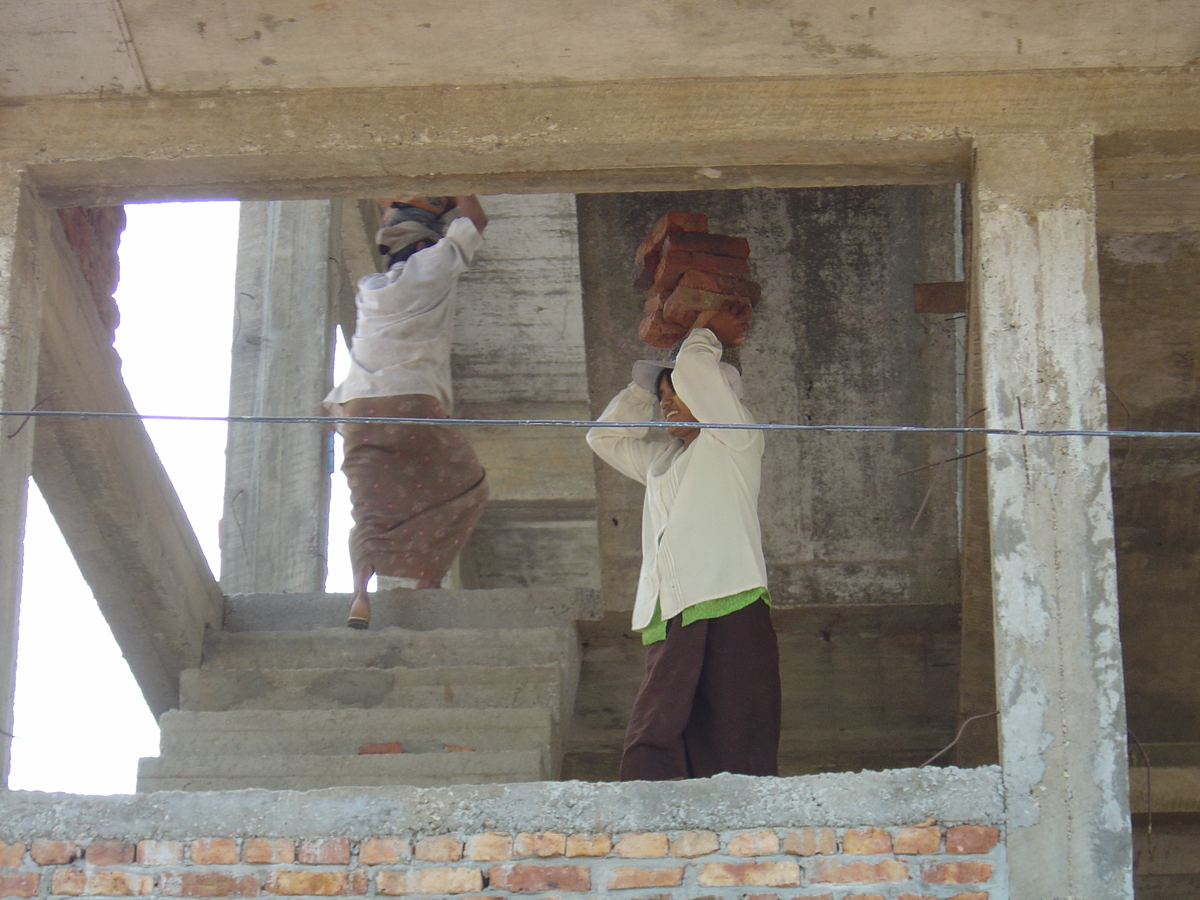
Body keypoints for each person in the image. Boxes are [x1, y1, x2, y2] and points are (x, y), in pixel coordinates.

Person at [586, 311, 780, 780]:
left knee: (736, 729)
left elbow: (696, 368)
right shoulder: (660, 462)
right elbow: (603, 437)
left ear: (714, 397)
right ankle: (652, 814)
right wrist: (642, 387)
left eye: (678, 395)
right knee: (658, 726)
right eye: (663, 399)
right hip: (671, 611)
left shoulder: (735, 440)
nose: (667, 406)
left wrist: (703, 332)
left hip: (729, 597)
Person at [323, 195, 490, 629]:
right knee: (467, 488)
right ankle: (428, 580)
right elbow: (476, 219)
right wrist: (460, 185)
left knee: (372, 511)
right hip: (411, 402)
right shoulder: (431, 268)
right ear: (425, 245)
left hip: (359, 406)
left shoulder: (370, 290)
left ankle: (361, 594)